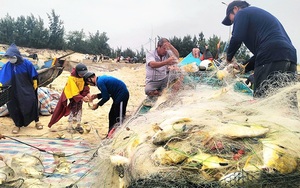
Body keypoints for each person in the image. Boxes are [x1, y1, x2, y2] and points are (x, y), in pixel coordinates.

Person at [222, 1, 297, 98]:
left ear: (235, 9)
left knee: (262, 101)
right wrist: (243, 68)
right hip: (290, 55)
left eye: (232, 20)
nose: (233, 23)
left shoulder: (242, 13)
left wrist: (229, 58)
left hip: (271, 54)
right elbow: (262, 52)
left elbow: (236, 38)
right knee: (287, 102)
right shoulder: (259, 17)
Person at [0, 43, 43, 134]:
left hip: (26, 88)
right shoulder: (7, 66)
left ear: (17, 55)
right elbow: (2, 78)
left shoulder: (26, 63)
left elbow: (34, 75)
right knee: (13, 106)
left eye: (12, 56)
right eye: (9, 57)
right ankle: (17, 125)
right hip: (13, 90)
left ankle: (37, 121)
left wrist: (35, 82)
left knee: (32, 102)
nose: (10, 59)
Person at [83, 72, 129, 137]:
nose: (90, 85)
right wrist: (97, 96)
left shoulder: (100, 82)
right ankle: (110, 134)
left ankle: (120, 135)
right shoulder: (100, 80)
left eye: (89, 83)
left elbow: (106, 97)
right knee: (111, 115)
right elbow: (108, 92)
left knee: (119, 116)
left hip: (122, 95)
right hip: (117, 96)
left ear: (91, 79)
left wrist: (98, 104)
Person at [48, 63, 90, 134]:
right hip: (72, 96)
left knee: (79, 110)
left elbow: (86, 86)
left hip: (79, 96)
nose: (82, 75)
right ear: (77, 72)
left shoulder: (83, 77)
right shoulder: (72, 78)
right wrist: (82, 98)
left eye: (84, 74)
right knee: (73, 110)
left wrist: (88, 95)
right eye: (81, 74)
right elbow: (74, 91)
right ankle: (70, 126)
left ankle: (78, 125)